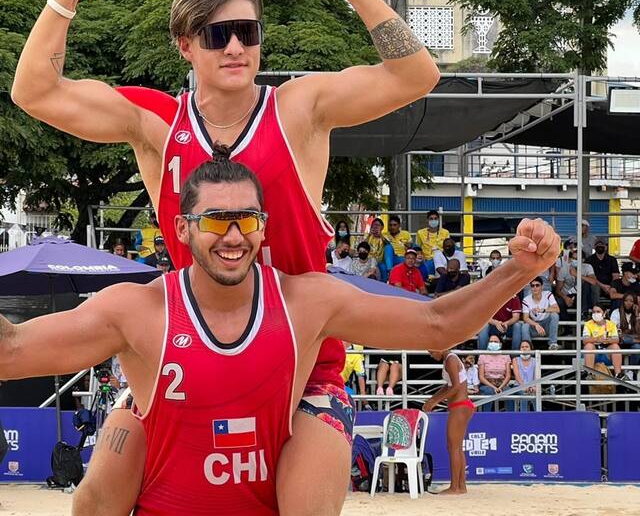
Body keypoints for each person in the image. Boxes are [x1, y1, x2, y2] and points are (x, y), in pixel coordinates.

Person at [12, 0, 442, 512]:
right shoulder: (156, 123)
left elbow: (417, 74)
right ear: (185, 45)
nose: (237, 46)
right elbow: (33, 92)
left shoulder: (298, 108)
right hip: (185, 357)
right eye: (218, 35)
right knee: (94, 502)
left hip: (303, 363)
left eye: (249, 32)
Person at [0, 159, 560, 513]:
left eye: (248, 220)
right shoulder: (136, 309)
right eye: (217, 220)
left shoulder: (306, 300)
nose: (234, 235)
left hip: (267, 485)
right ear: (181, 229)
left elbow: (439, 324)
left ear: (265, 227)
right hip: (164, 495)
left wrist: (520, 271)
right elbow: (12, 352)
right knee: (95, 501)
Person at [424, 350, 474, 495]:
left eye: (431, 351)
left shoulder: (451, 360)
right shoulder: (449, 359)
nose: (431, 354)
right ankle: (461, 486)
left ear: (441, 347)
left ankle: (455, 487)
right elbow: (448, 386)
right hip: (461, 405)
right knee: (457, 448)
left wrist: (435, 402)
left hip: (460, 406)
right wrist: (432, 399)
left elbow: (456, 387)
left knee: (453, 447)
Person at [582, 305, 626, 381]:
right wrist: (598, 339)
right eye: (594, 312)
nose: (595, 314)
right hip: (593, 354)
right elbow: (585, 340)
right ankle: (589, 374)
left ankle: (618, 374)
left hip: (606, 354)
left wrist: (608, 340)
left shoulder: (611, 324)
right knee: (588, 345)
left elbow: (616, 340)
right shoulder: (588, 324)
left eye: (598, 311)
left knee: (615, 346)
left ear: (604, 313)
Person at [555, 248, 600, 316]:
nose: (574, 260)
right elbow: (558, 290)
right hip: (568, 295)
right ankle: (567, 325)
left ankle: (586, 314)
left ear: (583, 260)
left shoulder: (587, 267)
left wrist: (576, 275)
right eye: (573, 258)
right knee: (559, 302)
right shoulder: (564, 269)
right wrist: (565, 298)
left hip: (582, 296)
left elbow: (594, 282)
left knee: (588, 284)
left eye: (577, 258)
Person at [520, 277, 560, 351]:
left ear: (542, 287)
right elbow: (525, 318)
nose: (535, 287)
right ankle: (527, 349)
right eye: (532, 286)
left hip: (546, 326)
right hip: (534, 326)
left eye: (537, 285)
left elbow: (557, 309)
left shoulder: (548, 294)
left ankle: (553, 344)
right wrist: (536, 325)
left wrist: (543, 310)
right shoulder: (526, 300)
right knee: (525, 326)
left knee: (554, 315)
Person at [609, 293, 640, 373]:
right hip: (620, 341)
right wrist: (631, 336)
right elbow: (614, 332)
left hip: (632, 341)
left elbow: (639, 333)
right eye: (626, 301)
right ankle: (618, 371)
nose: (628, 303)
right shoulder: (616, 312)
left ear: (635, 303)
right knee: (621, 339)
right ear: (623, 302)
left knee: (637, 347)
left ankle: (631, 372)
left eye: (631, 301)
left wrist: (636, 315)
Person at [477, 335, 512, 411]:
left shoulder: (506, 356)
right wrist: (493, 387)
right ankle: (486, 417)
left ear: (500, 344)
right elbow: (481, 377)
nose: (493, 343)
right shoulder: (483, 356)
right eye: (491, 341)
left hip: (502, 384)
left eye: (495, 342)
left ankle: (510, 417)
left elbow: (508, 375)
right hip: (487, 384)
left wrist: (500, 387)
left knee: (510, 392)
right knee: (489, 392)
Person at [416, 210, 450, 276]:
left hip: (441, 259)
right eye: (431, 219)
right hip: (427, 260)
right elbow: (418, 248)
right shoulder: (420, 233)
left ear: (438, 220)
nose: (433, 221)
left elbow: (448, 247)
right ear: (427, 220)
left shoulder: (445, 232)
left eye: (435, 219)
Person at [341, 342, 370, 411]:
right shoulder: (331, 349)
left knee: (351, 394)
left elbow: (360, 375)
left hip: (341, 386)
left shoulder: (355, 355)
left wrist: (363, 394)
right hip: (325, 384)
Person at [511, 340, 536, 411]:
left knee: (536, 394)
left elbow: (536, 376)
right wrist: (524, 386)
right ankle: (523, 416)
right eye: (522, 347)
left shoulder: (535, 360)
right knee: (524, 394)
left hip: (532, 386)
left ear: (531, 349)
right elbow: (517, 375)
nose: (524, 348)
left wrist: (533, 387)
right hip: (518, 386)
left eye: (527, 347)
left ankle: (538, 417)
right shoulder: (515, 359)